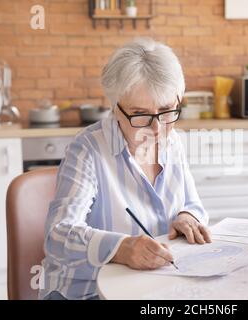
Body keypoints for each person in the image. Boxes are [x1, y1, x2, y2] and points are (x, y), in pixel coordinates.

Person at [39, 38, 211, 300]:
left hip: (151, 288)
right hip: (86, 292)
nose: (156, 129)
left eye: (166, 111)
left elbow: (192, 203)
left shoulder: (172, 139)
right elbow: (58, 234)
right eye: (140, 114)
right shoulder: (87, 150)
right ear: (116, 108)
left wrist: (188, 217)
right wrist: (120, 248)